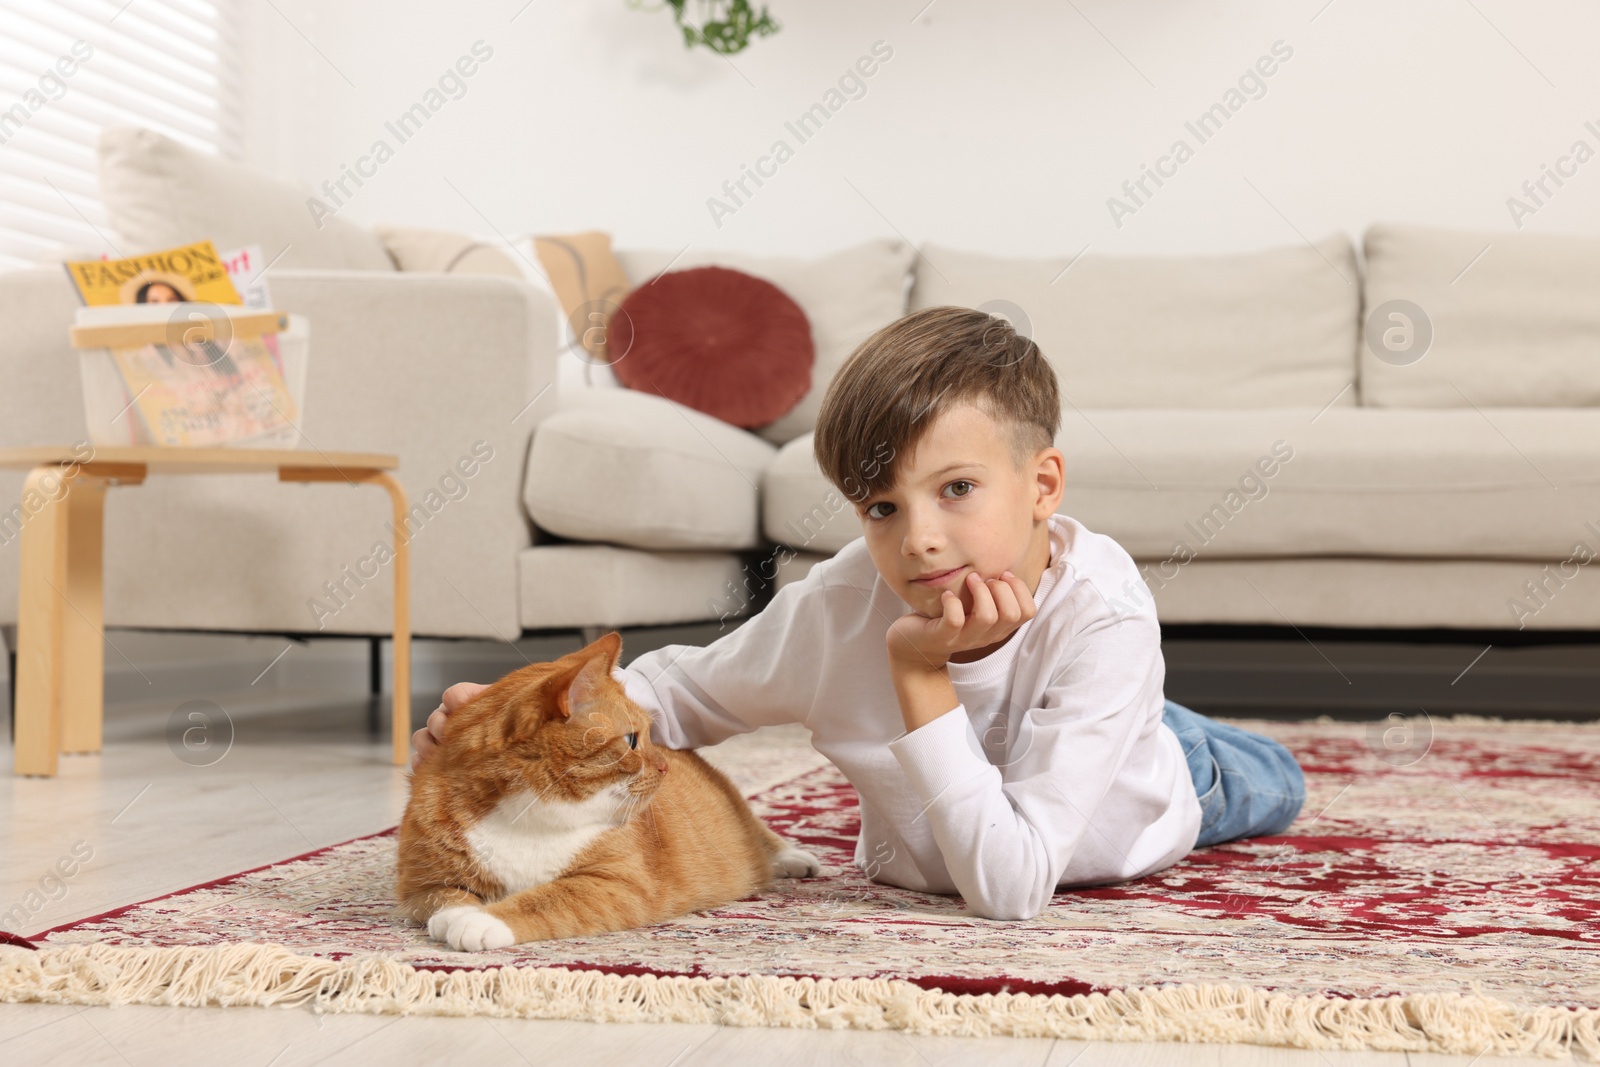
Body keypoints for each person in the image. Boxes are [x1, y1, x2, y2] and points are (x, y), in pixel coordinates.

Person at [413, 305, 1306, 921]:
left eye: (957, 488)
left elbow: (1009, 886)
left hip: (1151, 794)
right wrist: (511, 719)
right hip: (1010, 763)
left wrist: (920, 673)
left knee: (1272, 778)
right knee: (1053, 725)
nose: (919, 539)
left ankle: (1167, 725)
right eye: (881, 507)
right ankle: (1137, 715)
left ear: (1042, 487)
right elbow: (675, 696)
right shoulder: (839, 604)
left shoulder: (1104, 618)